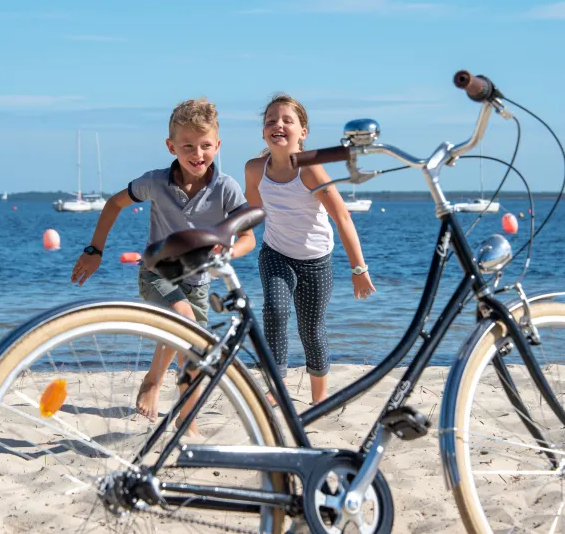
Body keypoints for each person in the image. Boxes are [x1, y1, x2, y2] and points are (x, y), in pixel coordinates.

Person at [71, 97, 256, 432]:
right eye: (188, 146)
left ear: (217, 146)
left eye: (205, 145)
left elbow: (248, 239)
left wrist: (226, 252)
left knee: (193, 347)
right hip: (157, 273)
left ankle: (159, 387)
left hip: (199, 283)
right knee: (184, 325)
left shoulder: (226, 188)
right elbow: (114, 204)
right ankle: (186, 421)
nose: (197, 154)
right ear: (171, 147)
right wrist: (94, 250)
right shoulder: (155, 182)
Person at [244, 93, 375, 406]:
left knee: (311, 329)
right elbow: (250, 212)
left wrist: (359, 269)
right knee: (275, 311)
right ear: (263, 132)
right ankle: (277, 386)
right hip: (275, 254)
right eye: (271, 121)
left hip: (316, 261)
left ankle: (320, 398)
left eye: (287, 120)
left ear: (302, 132)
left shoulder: (311, 170)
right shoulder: (254, 169)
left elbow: (342, 217)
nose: (278, 125)